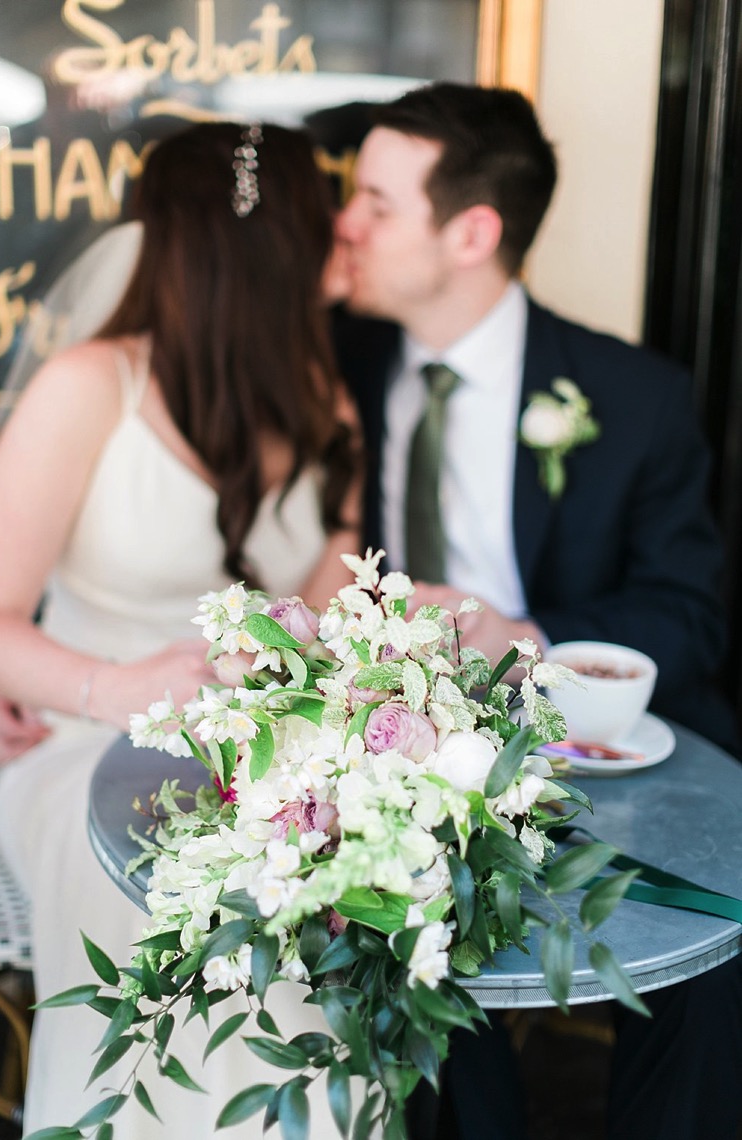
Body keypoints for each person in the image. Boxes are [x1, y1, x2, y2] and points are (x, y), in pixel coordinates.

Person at [332, 81, 742, 1140]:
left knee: (720, 951)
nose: (346, 224)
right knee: (394, 936)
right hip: (390, 746)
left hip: (586, 744)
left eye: (375, 203)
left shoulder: (630, 394)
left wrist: (526, 642)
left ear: (469, 231)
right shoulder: (331, 362)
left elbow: (687, 614)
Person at [0, 121, 363, 1136]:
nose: (344, 238)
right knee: (174, 895)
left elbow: (336, 607)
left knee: (333, 898)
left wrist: (285, 678)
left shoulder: (325, 402)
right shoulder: (87, 388)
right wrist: (110, 689)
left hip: (268, 758)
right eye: (324, 221)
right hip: (89, 749)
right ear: (269, 251)